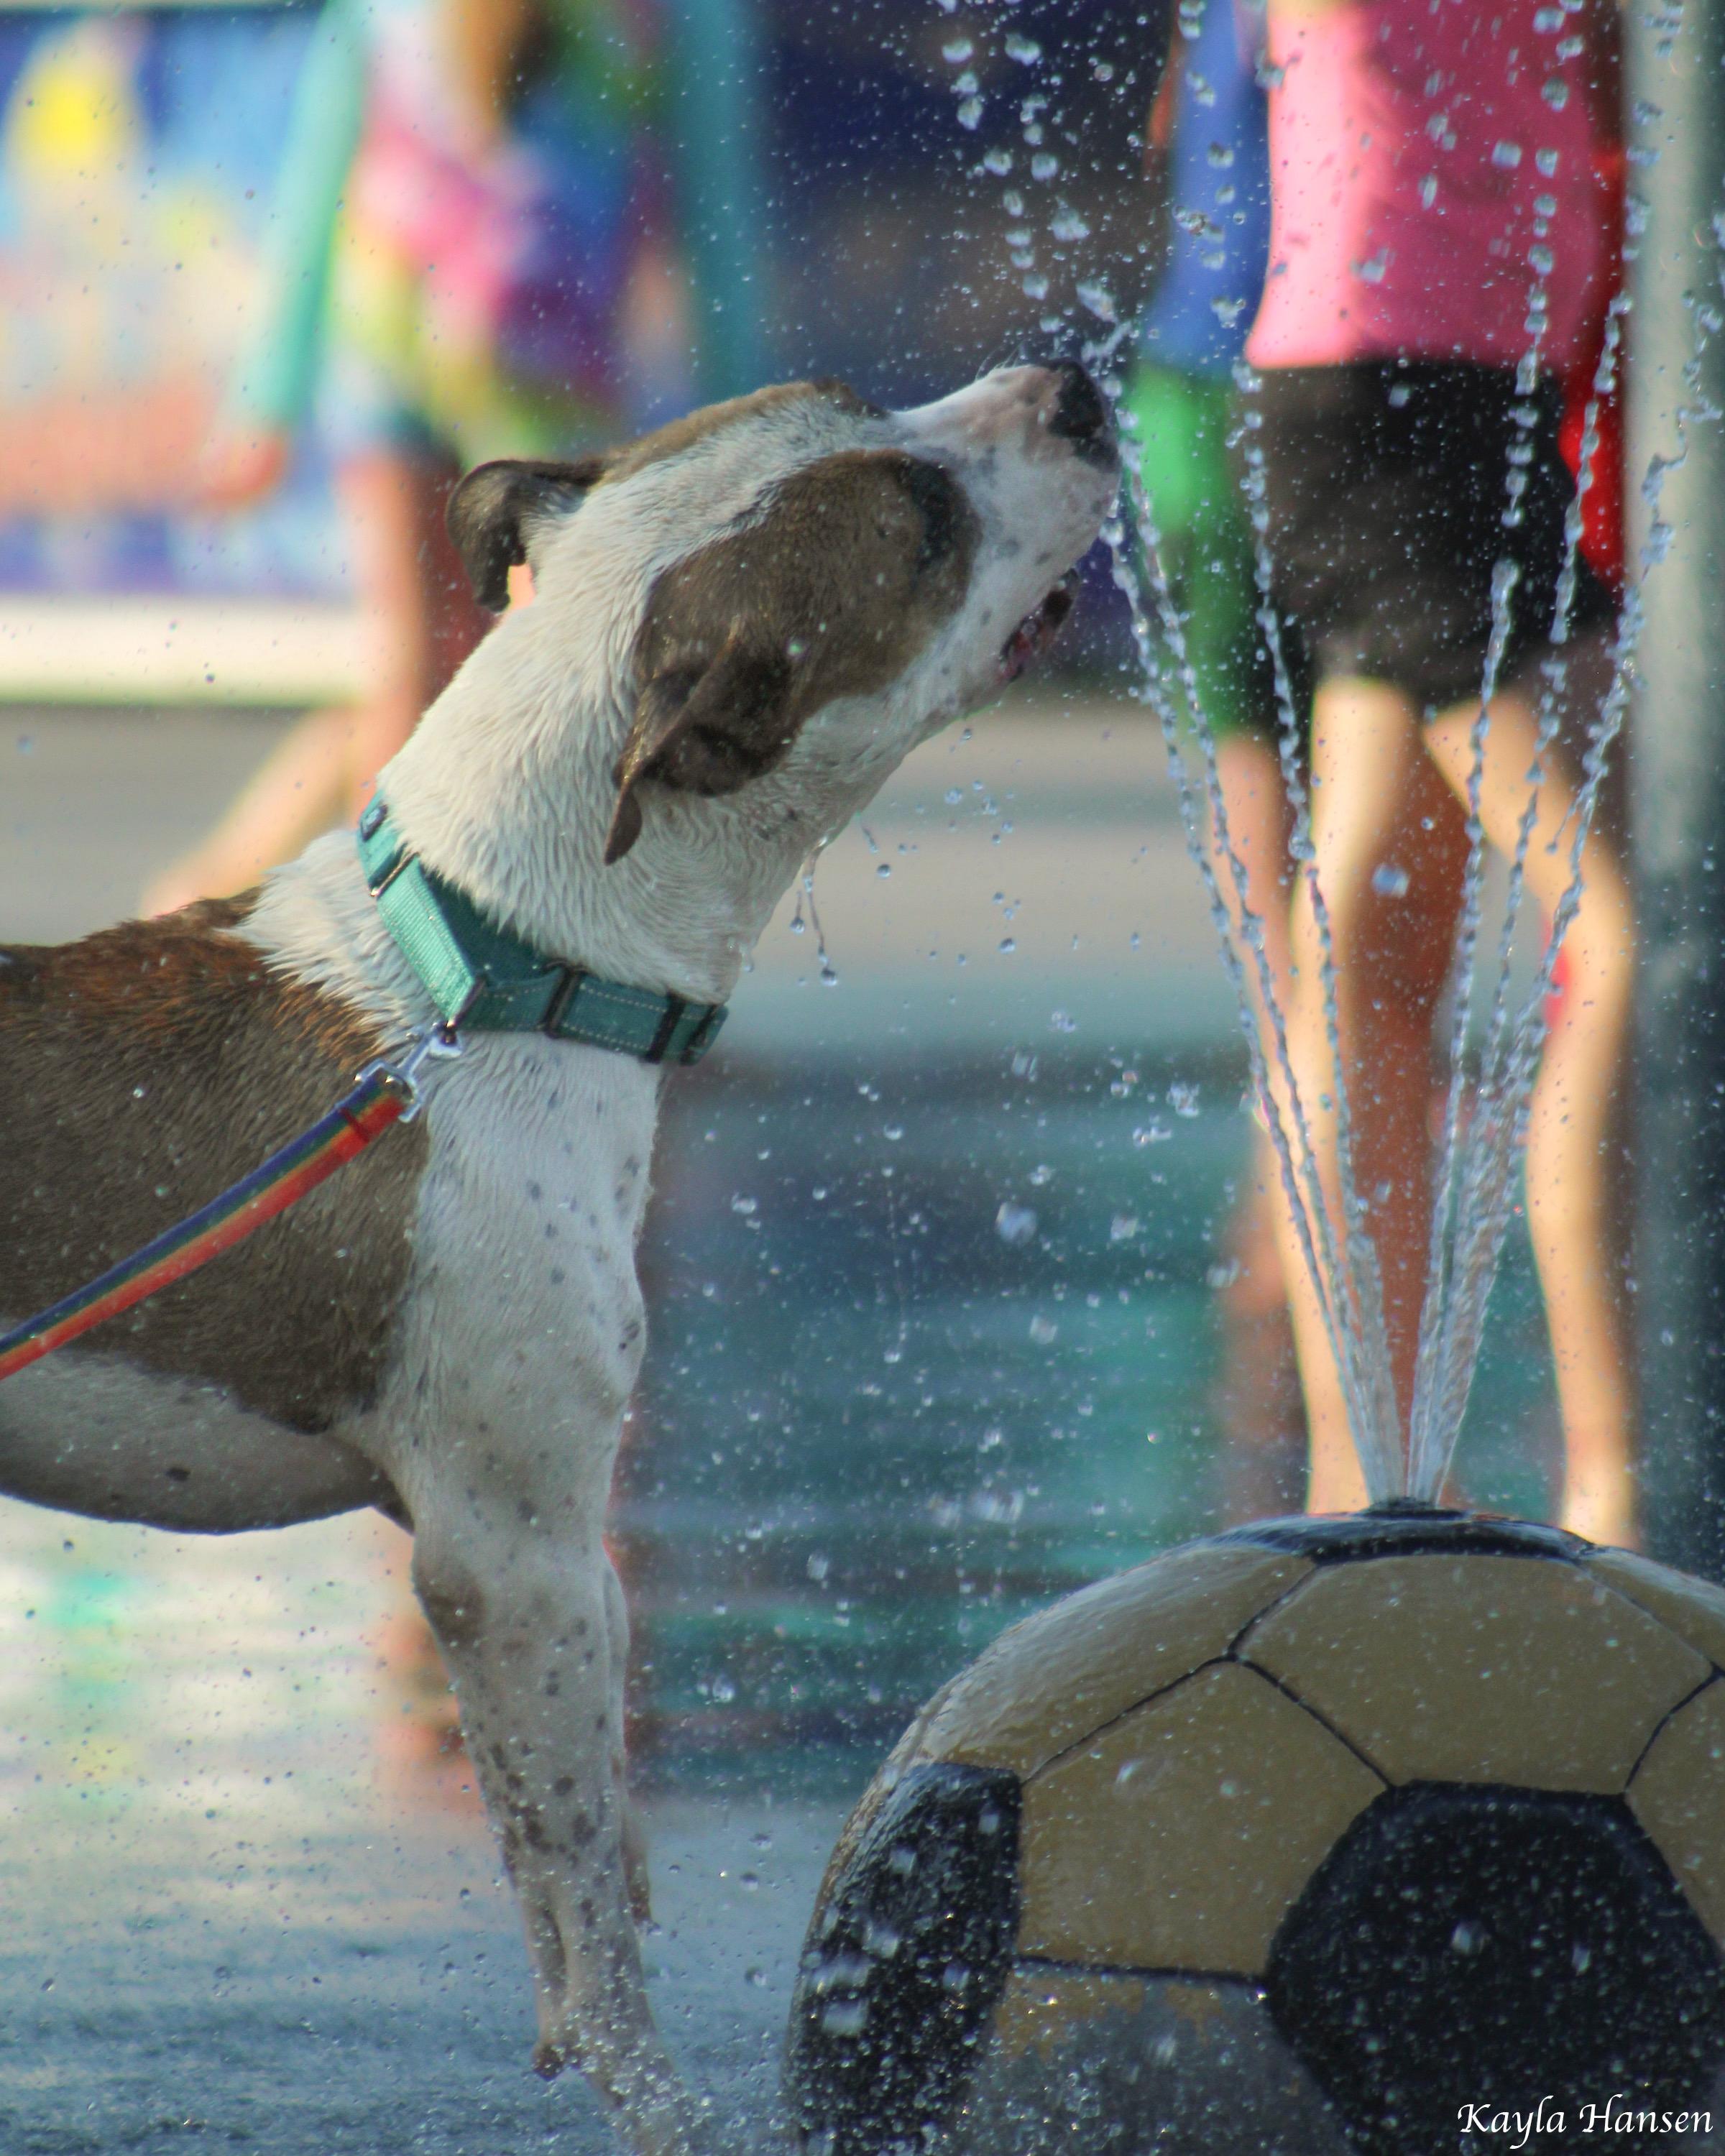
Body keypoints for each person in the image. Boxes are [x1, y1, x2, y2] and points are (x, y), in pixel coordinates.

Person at [1242, 0, 1635, 1540]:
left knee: (1365, 954)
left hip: (1429, 378)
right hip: (1401, 389)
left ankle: (1378, 1478)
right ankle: (1618, 1476)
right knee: (1631, 939)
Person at [144, 0, 685, 912]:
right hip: (529, 340)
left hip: (412, 325)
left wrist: (267, 404)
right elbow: (706, 199)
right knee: (537, 670)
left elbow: (317, 196)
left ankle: (272, 902)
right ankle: (480, 924)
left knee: (435, 672)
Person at [1126, 0, 1307, 1516]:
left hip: (1206, 370)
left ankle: (1290, 1058)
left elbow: (1175, 135)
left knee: (1263, 747)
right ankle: (1293, 1060)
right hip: (1258, 372)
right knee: (1277, 747)